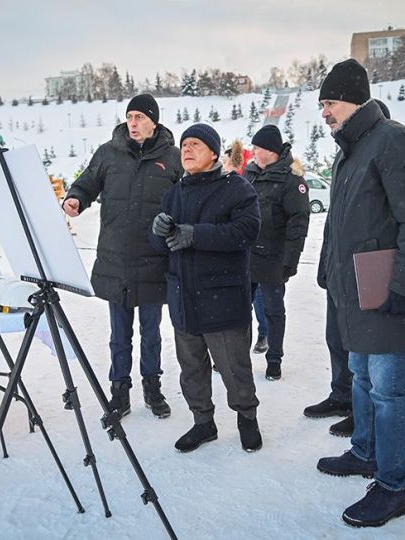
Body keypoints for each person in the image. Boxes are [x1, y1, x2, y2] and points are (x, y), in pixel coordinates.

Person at [313, 59, 405, 527]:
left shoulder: (394, 140)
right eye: (322, 104)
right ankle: (365, 452)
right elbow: (340, 225)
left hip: (389, 293)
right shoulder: (351, 150)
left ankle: (391, 486)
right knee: (362, 379)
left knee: (388, 391)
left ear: (354, 99)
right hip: (356, 294)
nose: (324, 112)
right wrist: (329, 272)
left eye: (330, 103)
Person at [63, 94, 182, 419]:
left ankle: (153, 389)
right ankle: (119, 393)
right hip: (116, 261)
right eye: (130, 116)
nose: (133, 122)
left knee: (152, 333)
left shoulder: (172, 158)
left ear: (153, 122)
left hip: (155, 261)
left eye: (140, 117)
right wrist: (75, 198)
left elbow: (186, 198)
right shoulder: (108, 153)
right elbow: (86, 184)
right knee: (119, 335)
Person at [150, 123, 263, 453]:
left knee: (234, 369)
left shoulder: (237, 188)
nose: (186, 149)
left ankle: (247, 418)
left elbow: (247, 230)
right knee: (192, 371)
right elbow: (161, 245)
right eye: (184, 144)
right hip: (184, 299)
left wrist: (196, 234)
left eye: (195, 144)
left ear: (214, 152)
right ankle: (203, 423)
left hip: (223, 300)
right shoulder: (174, 194)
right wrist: (157, 232)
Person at [303, 98, 392, 438]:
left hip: (368, 269)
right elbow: (334, 222)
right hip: (339, 267)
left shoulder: (384, 150)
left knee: (364, 350)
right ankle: (342, 395)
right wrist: (326, 262)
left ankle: (361, 410)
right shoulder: (345, 155)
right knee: (336, 338)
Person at [244, 125, 310, 380]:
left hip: (273, 258)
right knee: (239, 311)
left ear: (270, 151)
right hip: (245, 255)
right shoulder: (249, 175)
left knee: (273, 310)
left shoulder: (291, 181)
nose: (253, 153)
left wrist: (290, 260)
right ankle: (238, 357)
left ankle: (274, 359)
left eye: (257, 148)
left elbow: (298, 223)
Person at [223, 141, 268, 355]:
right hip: (236, 251)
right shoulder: (234, 177)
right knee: (240, 302)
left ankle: (263, 334)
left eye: (226, 161)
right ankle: (236, 346)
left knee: (258, 298)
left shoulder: (245, 178)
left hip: (258, 248)